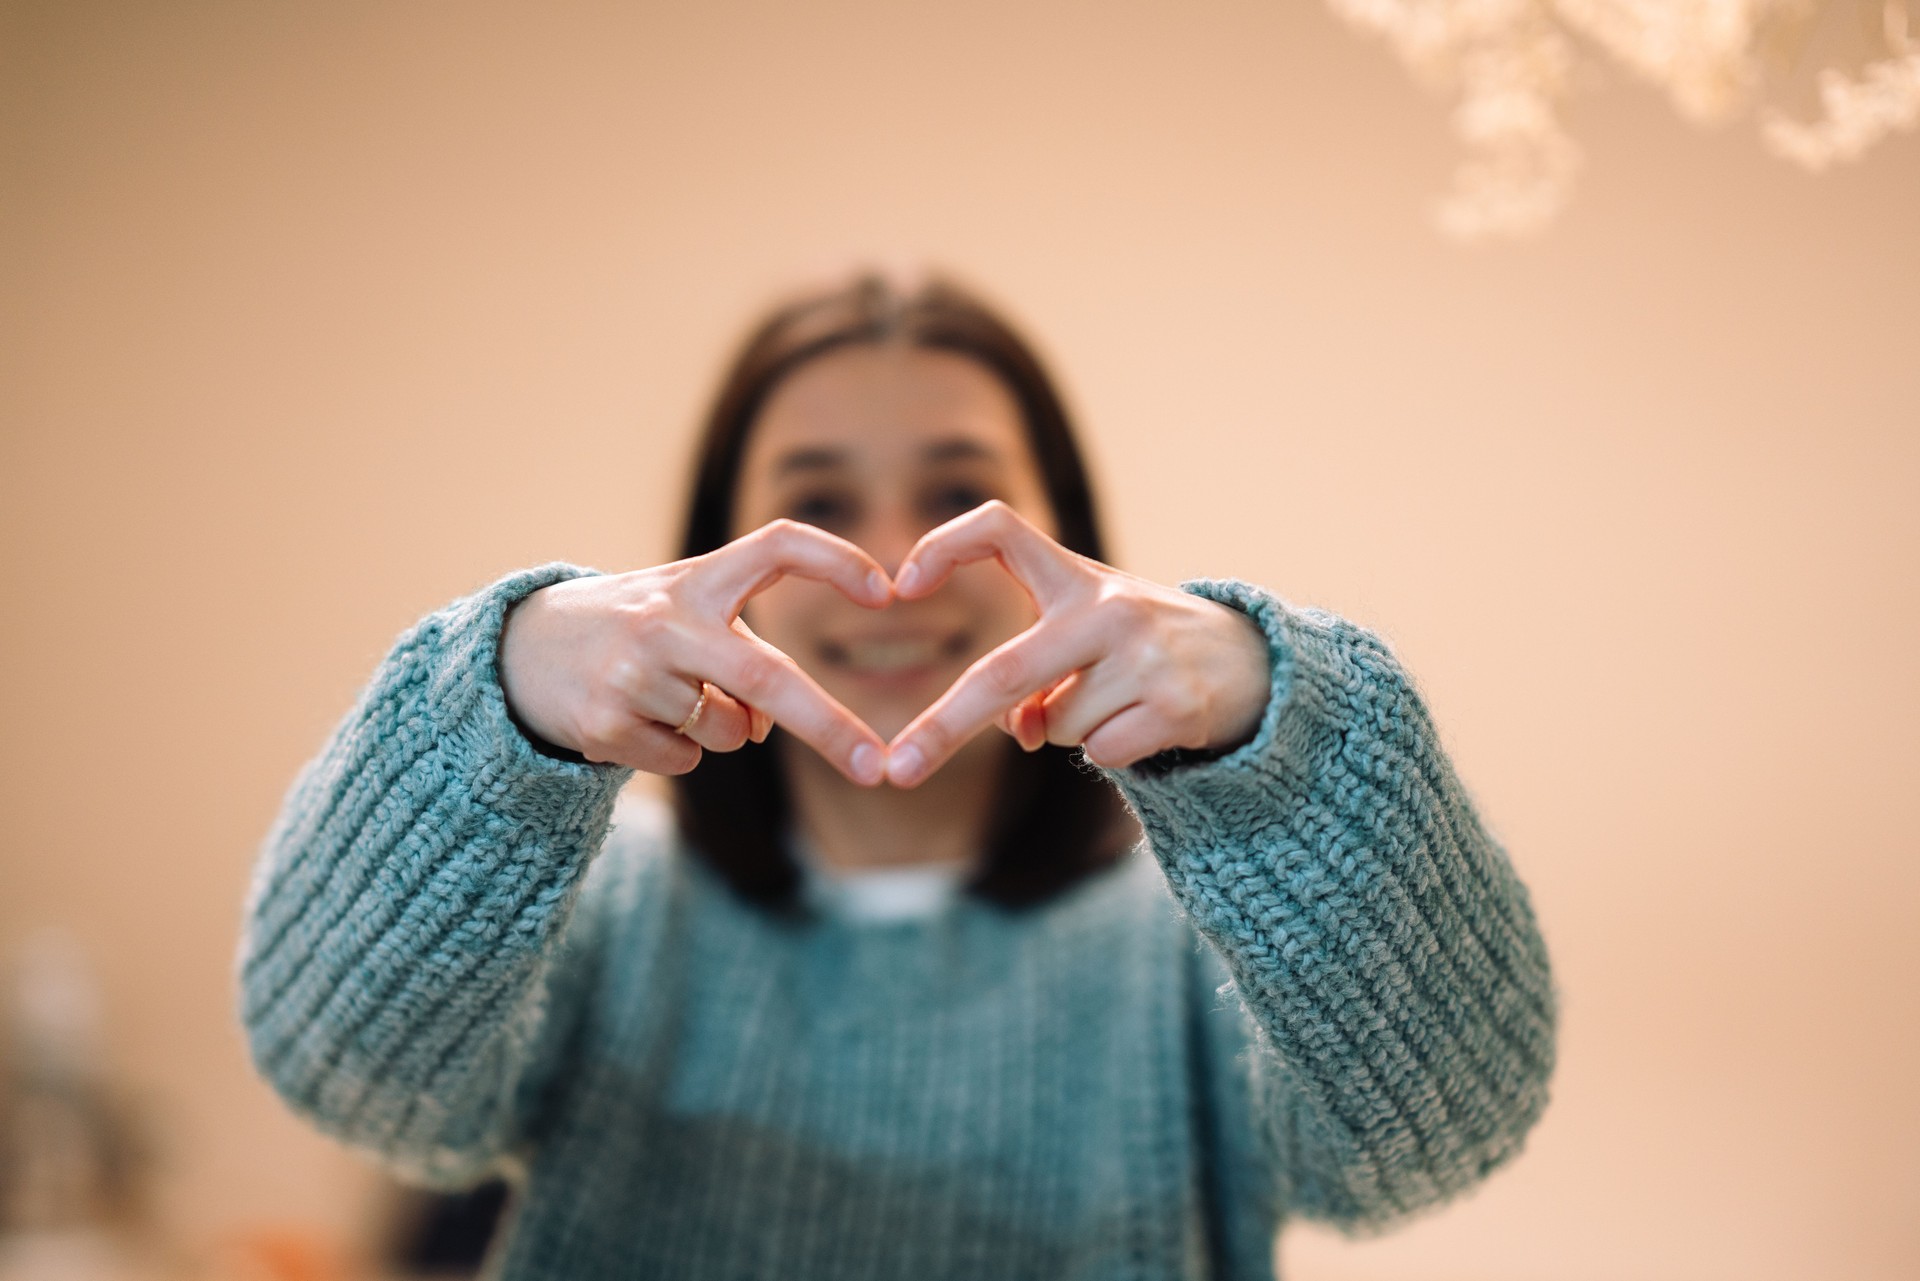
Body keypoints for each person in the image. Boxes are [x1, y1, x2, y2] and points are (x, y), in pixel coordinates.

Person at [236, 273, 1557, 1279]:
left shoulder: (1187, 950)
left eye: (956, 495)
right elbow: (345, 1073)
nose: (888, 567)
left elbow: (1435, 1135)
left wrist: (1287, 728)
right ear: (712, 558)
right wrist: (495, 700)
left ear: (1067, 545)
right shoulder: (614, 915)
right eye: (818, 500)